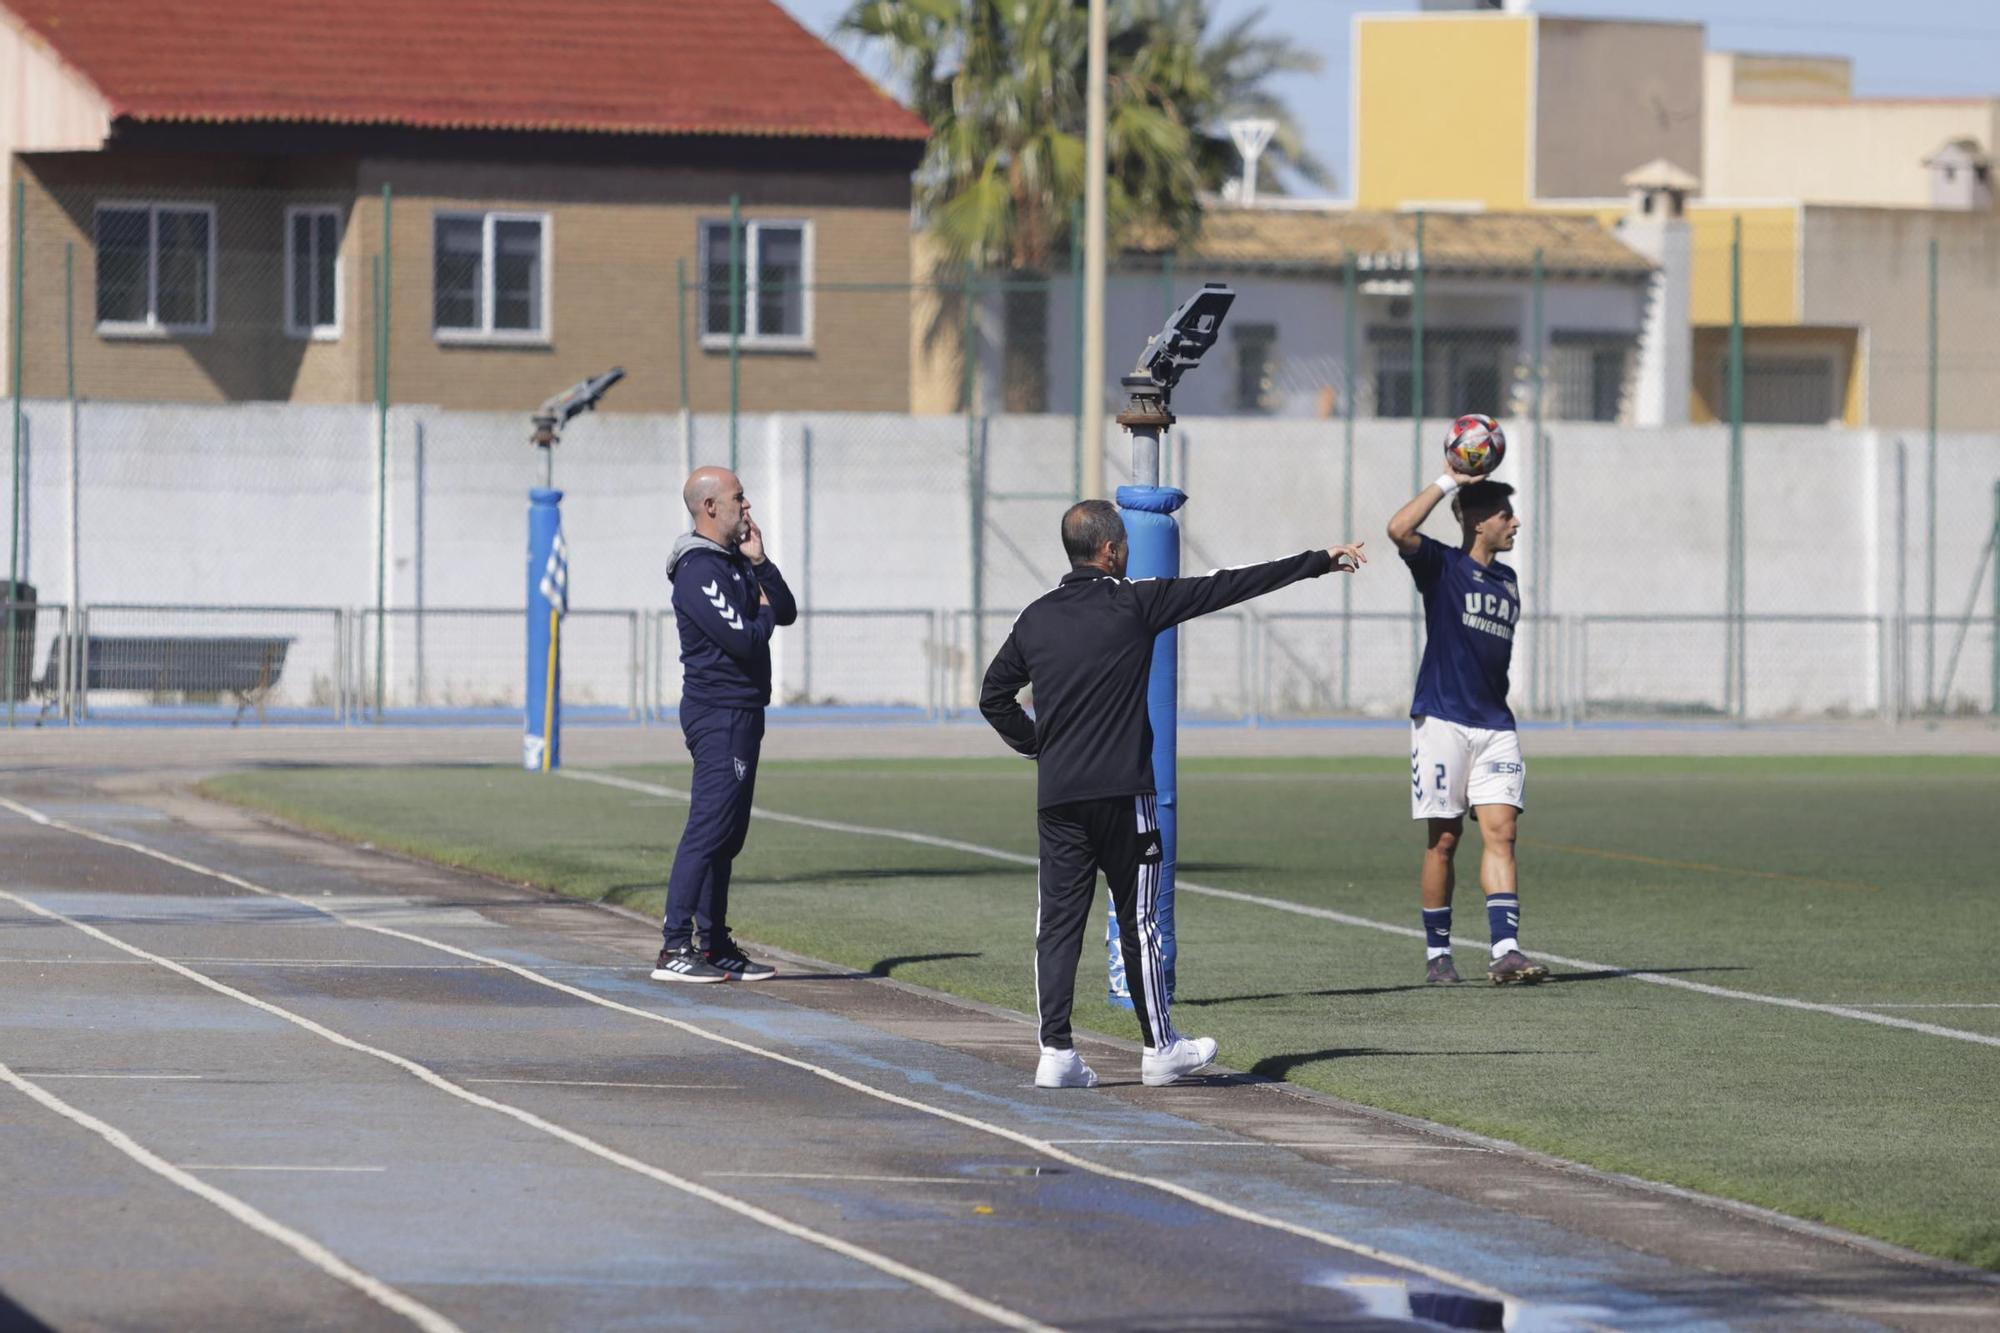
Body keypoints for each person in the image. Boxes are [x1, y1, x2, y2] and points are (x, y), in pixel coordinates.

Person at [982, 500, 1366, 1088]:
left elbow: (994, 695)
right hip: (1124, 795)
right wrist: (1318, 560)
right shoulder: (1135, 600)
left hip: (1058, 798)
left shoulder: (1035, 617)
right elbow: (1226, 587)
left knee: (1057, 924)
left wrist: (1038, 745)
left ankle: (1056, 1052)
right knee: (1140, 923)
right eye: (1124, 545)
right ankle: (1160, 1047)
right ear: (1110, 551)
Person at [1386, 467, 1550, 986]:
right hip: (1442, 720)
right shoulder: (1442, 567)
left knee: (1503, 832)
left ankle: (1506, 950)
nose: (1516, 522)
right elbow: (1398, 529)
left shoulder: (1508, 580)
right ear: (1479, 522)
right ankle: (1438, 955)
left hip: (1495, 724)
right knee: (1446, 838)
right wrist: (1450, 480)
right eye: (1506, 514)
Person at [651, 467, 797, 984]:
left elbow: (787, 611)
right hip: (718, 713)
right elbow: (747, 639)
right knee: (709, 827)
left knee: (728, 834)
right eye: (738, 497)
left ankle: (714, 945)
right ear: (710, 507)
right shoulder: (697, 571)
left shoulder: (736, 561)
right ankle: (675, 947)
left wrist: (762, 565)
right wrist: (761, 610)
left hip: (744, 711)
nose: (748, 506)